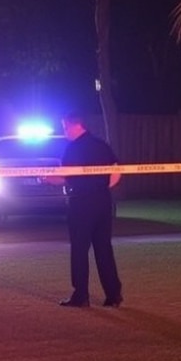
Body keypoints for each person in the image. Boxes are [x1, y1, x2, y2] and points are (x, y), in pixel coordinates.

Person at [44, 112, 122, 308]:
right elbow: (117, 171)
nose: (64, 132)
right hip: (103, 202)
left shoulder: (72, 148)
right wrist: (102, 188)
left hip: (81, 203)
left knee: (79, 249)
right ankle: (113, 295)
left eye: (65, 127)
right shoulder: (101, 145)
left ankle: (81, 296)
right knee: (104, 248)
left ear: (75, 125)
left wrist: (46, 178)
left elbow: (64, 177)